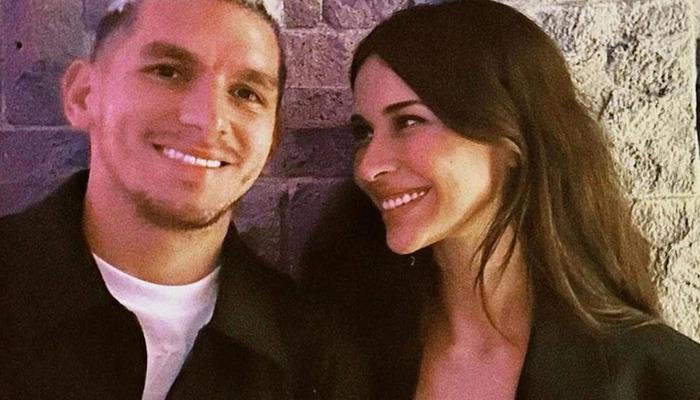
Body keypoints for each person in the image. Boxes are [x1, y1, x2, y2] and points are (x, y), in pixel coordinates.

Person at [303, 1, 700, 399]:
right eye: (364, 132)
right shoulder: (330, 350)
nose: (368, 167)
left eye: (409, 121)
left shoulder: (655, 375)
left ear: (511, 140)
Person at [0, 0, 368, 399]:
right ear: (83, 95)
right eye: (168, 71)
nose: (208, 120)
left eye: (245, 93)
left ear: (272, 141)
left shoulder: (318, 360)